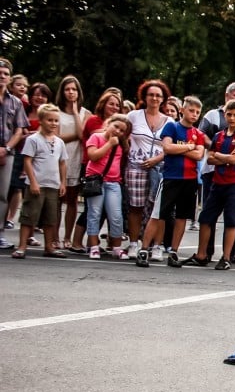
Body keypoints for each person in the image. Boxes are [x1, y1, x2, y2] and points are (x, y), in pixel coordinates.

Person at [137, 97, 207, 267]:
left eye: (197, 112)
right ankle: (144, 249)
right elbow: (167, 148)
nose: (194, 115)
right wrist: (189, 147)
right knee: (158, 214)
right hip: (171, 178)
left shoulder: (198, 134)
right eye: (191, 110)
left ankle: (173, 251)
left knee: (182, 217)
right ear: (182, 110)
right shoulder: (172, 126)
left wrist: (180, 148)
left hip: (189, 180)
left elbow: (199, 155)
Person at [181, 100, 235, 270]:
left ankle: (226, 258)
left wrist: (221, 157)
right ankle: (201, 254)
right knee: (205, 218)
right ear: (224, 115)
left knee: (231, 221)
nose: (232, 118)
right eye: (229, 114)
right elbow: (210, 158)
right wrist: (224, 157)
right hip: (217, 183)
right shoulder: (218, 136)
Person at [124, 80, 173, 258]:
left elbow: (171, 147)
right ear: (144, 96)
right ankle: (133, 243)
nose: (154, 98)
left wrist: (157, 159)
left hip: (159, 168)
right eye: (151, 94)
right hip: (136, 167)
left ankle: (157, 246)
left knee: (158, 209)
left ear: (163, 99)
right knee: (135, 207)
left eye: (158, 95)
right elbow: (123, 137)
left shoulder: (169, 121)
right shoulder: (133, 116)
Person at [12, 105, 67, 259]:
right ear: (41, 121)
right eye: (50, 120)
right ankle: (22, 246)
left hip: (53, 185)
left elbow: (62, 163)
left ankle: (49, 246)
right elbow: (28, 161)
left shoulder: (59, 142)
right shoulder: (33, 139)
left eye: (56, 120)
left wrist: (63, 182)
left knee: (51, 218)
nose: (53, 123)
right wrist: (33, 182)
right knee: (29, 216)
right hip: (36, 185)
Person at [83, 114, 129, 259]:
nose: (118, 132)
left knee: (116, 216)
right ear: (108, 124)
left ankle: (116, 246)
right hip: (95, 180)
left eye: (122, 130)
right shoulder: (96, 137)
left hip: (114, 182)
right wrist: (109, 144)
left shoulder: (121, 144)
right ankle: (94, 246)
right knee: (94, 213)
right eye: (116, 127)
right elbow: (93, 156)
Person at [52, 75, 90, 252]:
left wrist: (75, 113)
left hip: (76, 159)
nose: (71, 92)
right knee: (57, 201)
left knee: (73, 200)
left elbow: (84, 135)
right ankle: (54, 237)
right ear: (62, 91)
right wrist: (76, 135)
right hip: (59, 159)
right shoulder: (55, 112)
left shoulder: (85, 113)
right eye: (67, 89)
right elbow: (57, 137)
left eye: (74, 89)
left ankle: (68, 237)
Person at [0, 58, 30, 250]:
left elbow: (20, 130)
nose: (1, 77)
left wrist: (6, 149)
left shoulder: (16, 102)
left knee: (2, 195)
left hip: (6, 152)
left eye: (5, 74)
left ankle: (0, 233)